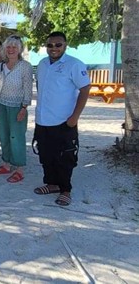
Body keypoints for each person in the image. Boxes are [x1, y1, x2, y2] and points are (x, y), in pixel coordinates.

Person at [33, 32, 90, 206]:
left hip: (64, 121)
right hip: (43, 119)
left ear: (65, 45)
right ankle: (51, 184)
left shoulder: (74, 64)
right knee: (45, 154)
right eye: (50, 45)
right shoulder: (42, 64)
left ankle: (65, 189)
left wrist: (75, 117)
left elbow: (85, 89)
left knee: (65, 157)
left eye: (58, 45)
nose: (54, 48)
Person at [0, 36, 33, 183]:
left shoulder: (25, 66)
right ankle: (6, 164)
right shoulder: (2, 65)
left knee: (17, 137)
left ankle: (19, 168)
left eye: (14, 47)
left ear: (20, 49)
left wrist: (24, 107)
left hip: (17, 106)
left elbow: (28, 89)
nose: (11, 50)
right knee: (4, 136)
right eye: (8, 47)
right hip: (1, 105)